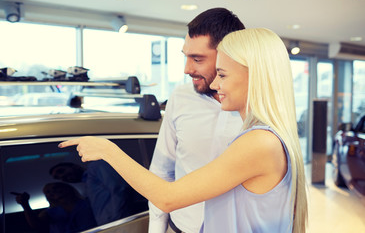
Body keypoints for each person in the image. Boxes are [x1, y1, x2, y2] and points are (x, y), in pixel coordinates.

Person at [59, 28, 308, 233]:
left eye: (222, 74)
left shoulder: (259, 143)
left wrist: (108, 150)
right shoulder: (265, 136)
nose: (216, 83)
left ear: (255, 76)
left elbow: (168, 197)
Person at [149, 7, 245, 233]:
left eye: (197, 59)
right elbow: (162, 171)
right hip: (180, 227)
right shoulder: (180, 98)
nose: (186, 69)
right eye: (186, 56)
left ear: (228, 56)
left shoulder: (257, 111)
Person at [49, 161, 133, 226]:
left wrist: (117, 219)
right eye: (58, 178)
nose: (62, 177)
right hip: (111, 225)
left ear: (75, 166)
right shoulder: (87, 187)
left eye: (61, 171)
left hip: (120, 222)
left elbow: (120, 188)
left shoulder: (95, 167)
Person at [13, 182, 97, 233]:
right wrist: (25, 204)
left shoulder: (89, 203)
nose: (52, 191)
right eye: (48, 192)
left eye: (55, 187)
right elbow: (37, 225)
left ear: (67, 188)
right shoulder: (50, 212)